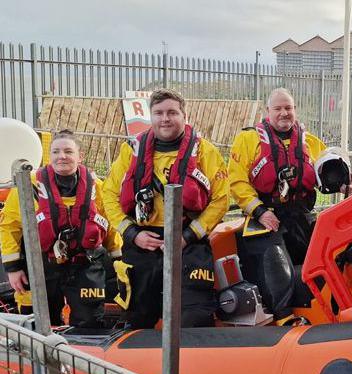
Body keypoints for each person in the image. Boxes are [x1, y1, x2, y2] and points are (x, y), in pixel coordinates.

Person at [102, 89, 229, 329]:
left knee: (195, 318)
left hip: (188, 242)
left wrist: (186, 236)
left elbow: (221, 199)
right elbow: (108, 194)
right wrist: (132, 234)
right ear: (151, 116)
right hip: (142, 242)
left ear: (184, 115)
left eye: (172, 112)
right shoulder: (131, 151)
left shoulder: (205, 151)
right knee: (137, 318)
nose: (165, 119)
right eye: (158, 113)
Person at [228, 88, 352, 325]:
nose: (284, 113)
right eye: (278, 108)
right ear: (268, 111)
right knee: (274, 257)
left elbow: (327, 172)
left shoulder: (310, 142)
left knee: (332, 248)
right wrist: (260, 211)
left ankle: (332, 304)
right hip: (264, 216)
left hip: (299, 213)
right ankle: (284, 316)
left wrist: (345, 183)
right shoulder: (247, 140)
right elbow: (236, 181)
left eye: (289, 108)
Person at [0, 130, 122, 328]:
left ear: (80, 156)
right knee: (37, 323)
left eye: (68, 151)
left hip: (85, 264)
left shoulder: (96, 187)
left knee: (90, 321)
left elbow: (109, 227)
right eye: (56, 152)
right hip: (41, 266)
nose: (61, 156)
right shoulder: (28, 186)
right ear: (49, 155)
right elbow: (9, 227)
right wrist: (13, 268)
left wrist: (118, 261)